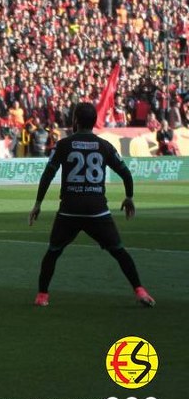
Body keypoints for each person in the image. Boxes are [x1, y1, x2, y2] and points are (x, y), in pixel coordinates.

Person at [28, 102, 155, 307]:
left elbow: (47, 174)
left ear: (75, 121)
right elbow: (125, 173)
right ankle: (140, 291)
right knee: (119, 252)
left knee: (53, 252)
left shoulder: (64, 144)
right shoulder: (104, 146)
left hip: (70, 211)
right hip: (97, 211)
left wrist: (38, 203)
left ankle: (42, 296)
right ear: (95, 122)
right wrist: (129, 197)